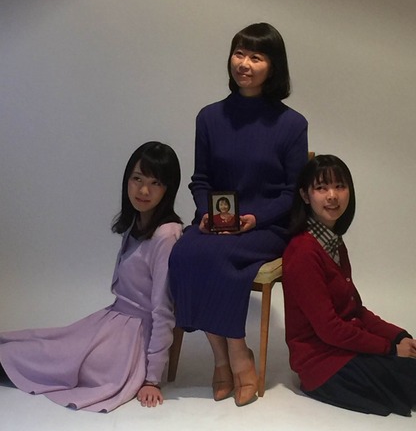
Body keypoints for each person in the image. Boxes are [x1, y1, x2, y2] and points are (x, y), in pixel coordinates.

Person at [169, 22, 308, 406]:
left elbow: (293, 193)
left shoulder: (292, 125)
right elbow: (201, 180)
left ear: (273, 66)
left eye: (256, 57)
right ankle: (223, 356)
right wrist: (205, 214)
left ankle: (238, 352)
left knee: (216, 257)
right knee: (183, 252)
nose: (244, 63)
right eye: (239, 53)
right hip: (216, 224)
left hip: (267, 226)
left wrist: (255, 219)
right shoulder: (209, 117)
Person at [0, 141, 183, 412]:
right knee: (47, 344)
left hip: (132, 338)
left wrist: (152, 379)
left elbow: (164, 311)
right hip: (111, 321)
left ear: (168, 189)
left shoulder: (166, 235)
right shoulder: (137, 222)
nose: (143, 190)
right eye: (137, 179)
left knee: (63, 360)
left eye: (155, 183)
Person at [282, 154, 416, 416]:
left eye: (339, 186)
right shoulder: (303, 251)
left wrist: (398, 336)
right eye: (321, 188)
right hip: (325, 365)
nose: (332, 196)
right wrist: (390, 348)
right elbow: (329, 329)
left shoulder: (332, 242)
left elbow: (355, 311)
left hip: (345, 346)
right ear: (305, 195)